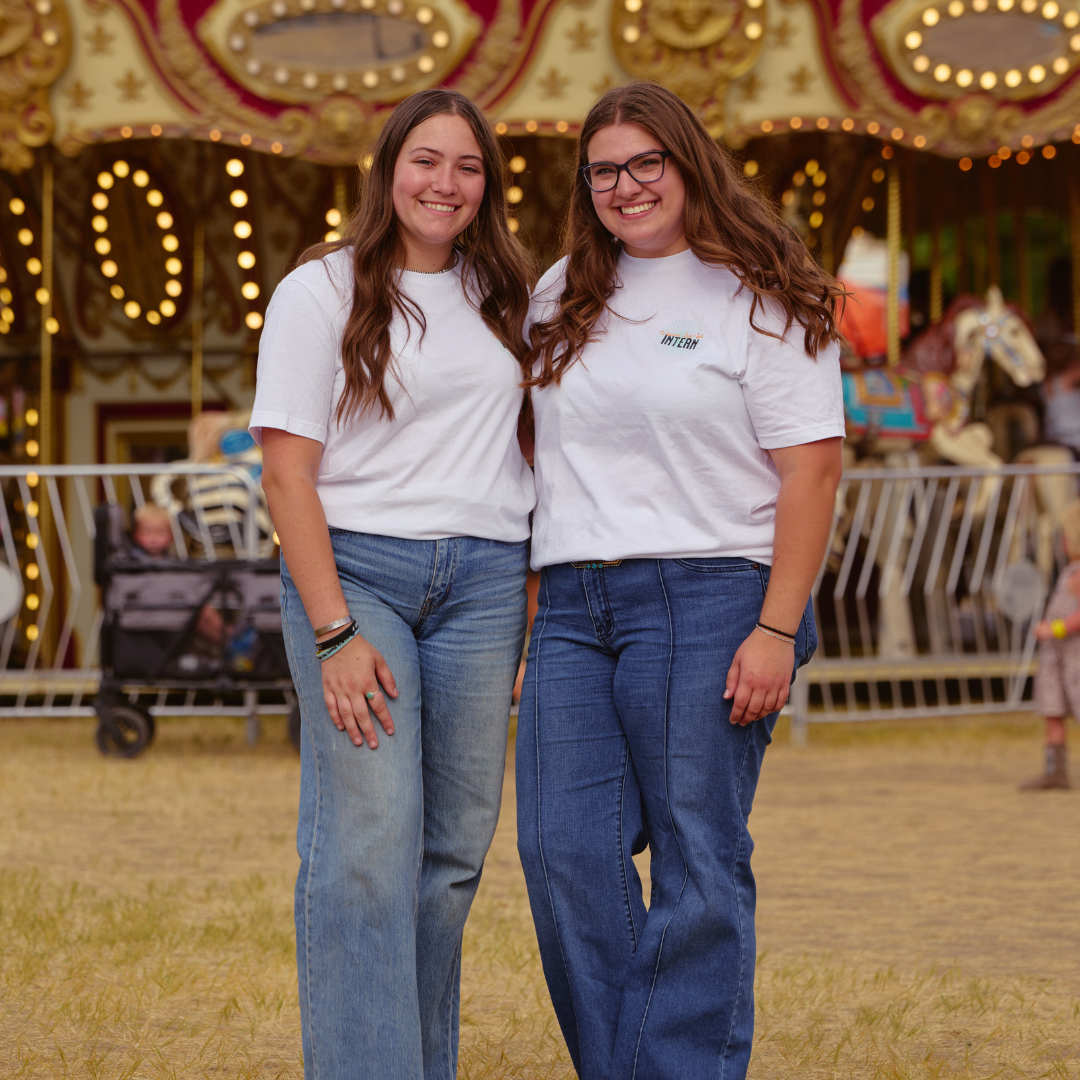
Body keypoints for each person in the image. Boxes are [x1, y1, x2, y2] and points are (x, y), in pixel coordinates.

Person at [516, 82, 846, 1080]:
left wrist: (778, 630)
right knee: (562, 850)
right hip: (576, 603)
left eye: (646, 161)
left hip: (712, 594)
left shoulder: (761, 289)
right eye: (605, 169)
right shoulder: (560, 291)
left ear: (687, 161)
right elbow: (541, 462)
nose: (626, 185)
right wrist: (533, 622)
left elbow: (814, 468)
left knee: (698, 860)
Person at [250, 88, 534, 1079]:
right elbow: (286, 471)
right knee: (369, 844)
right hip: (357, 570)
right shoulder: (320, 292)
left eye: (466, 166)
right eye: (425, 160)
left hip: (486, 581)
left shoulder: (512, 293)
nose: (444, 183)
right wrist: (332, 632)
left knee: (453, 855)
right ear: (387, 170)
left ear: (487, 184)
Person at [1026, 500, 1080, 790]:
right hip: (1056, 661)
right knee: (1053, 711)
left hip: (1075, 659)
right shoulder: (1070, 571)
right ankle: (1055, 769)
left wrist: (1053, 629)